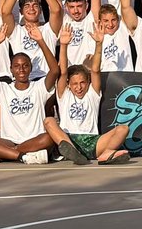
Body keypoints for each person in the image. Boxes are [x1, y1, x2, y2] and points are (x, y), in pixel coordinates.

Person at [0, 21, 63, 163]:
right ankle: (21, 155)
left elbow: (55, 71)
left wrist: (40, 41)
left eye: (25, 66)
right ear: (11, 69)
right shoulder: (3, 88)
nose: (21, 69)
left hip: (34, 141)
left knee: (49, 137)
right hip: (9, 142)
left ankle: (2, 154)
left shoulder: (39, 87)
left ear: (31, 68)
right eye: (16, 66)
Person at [43, 28, 133, 165]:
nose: (79, 87)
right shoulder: (64, 95)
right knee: (49, 120)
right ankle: (73, 152)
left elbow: (95, 70)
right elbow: (62, 72)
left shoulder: (92, 94)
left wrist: (99, 44)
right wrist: (63, 45)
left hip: (93, 141)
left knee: (123, 129)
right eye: (74, 84)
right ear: (68, 85)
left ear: (88, 83)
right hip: (69, 139)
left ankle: (106, 154)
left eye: (82, 83)